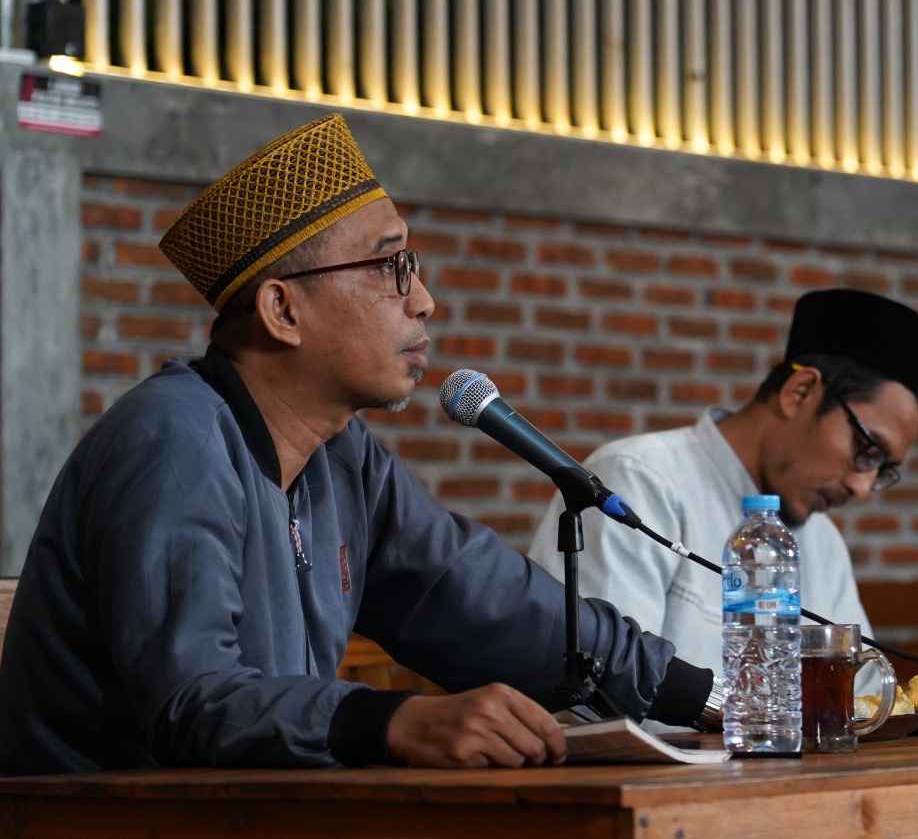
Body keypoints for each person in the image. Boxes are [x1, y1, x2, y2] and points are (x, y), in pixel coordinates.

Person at [0, 114, 713, 775]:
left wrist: (709, 701)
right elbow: (194, 701)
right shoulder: (173, 438)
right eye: (390, 267)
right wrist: (392, 721)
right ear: (284, 309)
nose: (424, 299)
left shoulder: (344, 458)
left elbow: (489, 604)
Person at [529, 288, 918, 672]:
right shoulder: (638, 480)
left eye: (883, 469)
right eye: (867, 450)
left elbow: (863, 698)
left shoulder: (822, 542)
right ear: (800, 392)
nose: (862, 488)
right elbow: (600, 696)